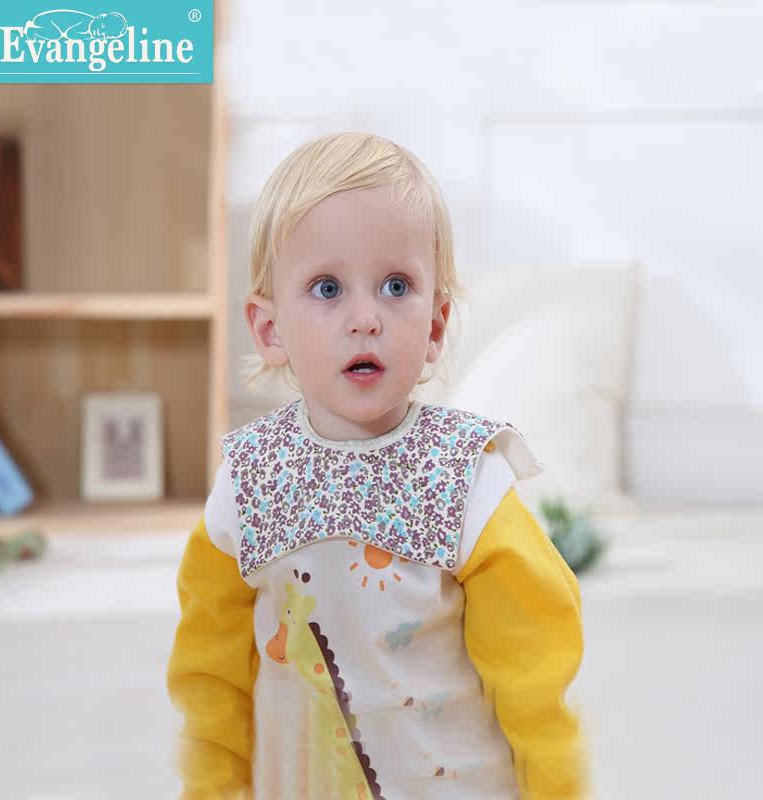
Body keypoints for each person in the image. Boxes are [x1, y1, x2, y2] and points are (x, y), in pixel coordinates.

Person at [166, 132, 589, 800]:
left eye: (396, 286)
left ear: (436, 326)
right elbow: (210, 677)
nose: (365, 318)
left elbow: (536, 670)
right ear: (270, 330)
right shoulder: (249, 484)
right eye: (327, 288)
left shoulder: (467, 478)